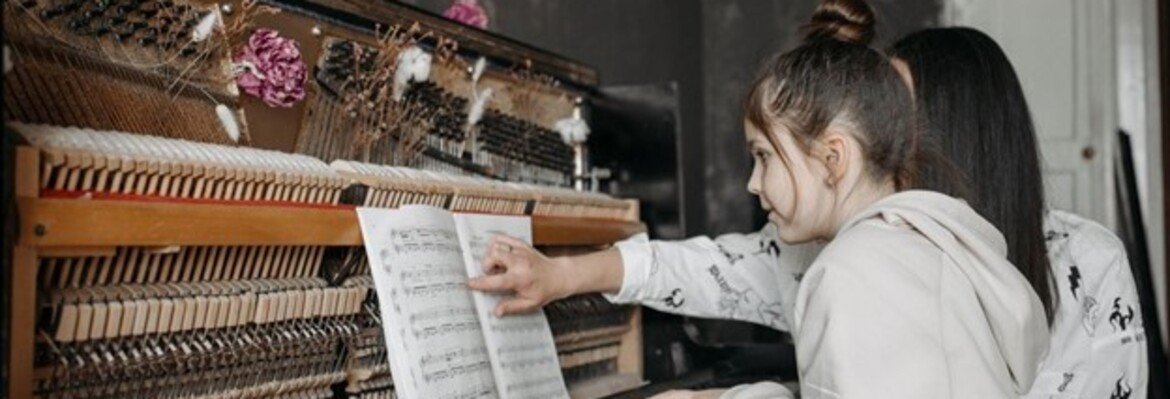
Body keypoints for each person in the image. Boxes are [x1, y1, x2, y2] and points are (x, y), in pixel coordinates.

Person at [471, 0, 1049, 397]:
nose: (751, 183)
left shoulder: (850, 270)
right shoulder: (946, 240)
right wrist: (562, 274)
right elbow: (710, 266)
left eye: (764, 157)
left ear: (833, 158)